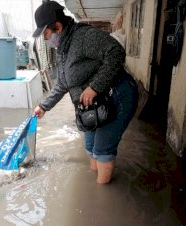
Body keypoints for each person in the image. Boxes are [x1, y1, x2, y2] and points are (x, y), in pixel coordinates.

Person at [32, 1, 138, 184]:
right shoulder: (63, 49)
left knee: (102, 151)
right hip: (93, 104)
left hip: (117, 96)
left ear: (57, 26)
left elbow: (116, 52)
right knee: (90, 147)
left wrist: (94, 87)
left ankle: (101, 200)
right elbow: (63, 83)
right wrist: (44, 106)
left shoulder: (84, 37)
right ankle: (94, 183)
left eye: (45, 33)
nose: (45, 38)